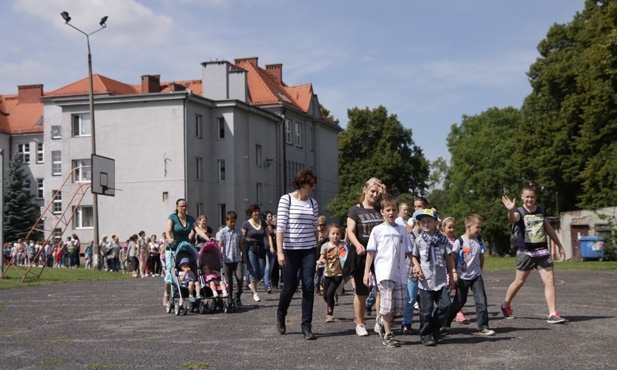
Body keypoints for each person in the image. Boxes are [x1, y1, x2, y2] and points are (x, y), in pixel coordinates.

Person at [501, 183, 567, 324]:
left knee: (549, 280)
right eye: (527, 197)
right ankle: (506, 304)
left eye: (532, 197)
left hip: (542, 250)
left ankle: (552, 313)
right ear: (522, 197)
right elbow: (513, 218)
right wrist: (510, 210)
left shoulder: (541, 210)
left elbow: (548, 228)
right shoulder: (519, 211)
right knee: (519, 281)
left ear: (536, 197)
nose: (529, 199)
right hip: (526, 252)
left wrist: (559, 245)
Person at [275, 168, 319, 340]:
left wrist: (316, 248)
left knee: (309, 286)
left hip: (308, 249)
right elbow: (280, 227)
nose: (313, 188)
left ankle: (306, 326)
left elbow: (314, 227)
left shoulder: (313, 203)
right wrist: (280, 251)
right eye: (311, 184)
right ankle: (281, 314)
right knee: (289, 287)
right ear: (302, 183)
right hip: (290, 250)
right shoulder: (286, 200)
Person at [364, 196, 413, 348]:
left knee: (399, 306)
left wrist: (416, 265)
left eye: (394, 210)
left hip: (400, 273)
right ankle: (388, 334)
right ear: (382, 212)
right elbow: (370, 252)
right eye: (388, 210)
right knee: (386, 304)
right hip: (384, 273)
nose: (391, 213)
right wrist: (367, 272)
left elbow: (409, 251)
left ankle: (382, 319)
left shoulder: (402, 230)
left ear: (398, 212)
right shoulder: (377, 230)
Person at [343, 177, 386, 337]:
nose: (374, 194)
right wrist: (357, 245)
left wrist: (385, 195)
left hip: (380, 254)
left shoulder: (380, 209)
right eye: (372, 191)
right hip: (361, 254)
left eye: (377, 192)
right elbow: (351, 231)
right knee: (361, 291)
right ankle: (360, 323)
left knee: (382, 288)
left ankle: (379, 320)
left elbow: (391, 211)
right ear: (365, 190)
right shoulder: (355, 210)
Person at [444, 214, 495, 336]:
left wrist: (480, 270)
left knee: (481, 300)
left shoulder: (479, 241)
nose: (479, 230)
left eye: (480, 227)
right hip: (462, 276)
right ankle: (445, 322)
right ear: (468, 226)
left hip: (476, 276)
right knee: (459, 302)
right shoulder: (459, 242)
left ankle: (483, 326)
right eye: (477, 227)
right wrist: (454, 273)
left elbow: (481, 257)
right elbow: (452, 258)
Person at [412, 208, 456, 346]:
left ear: (436, 223)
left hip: (440, 280)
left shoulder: (442, 240)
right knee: (426, 311)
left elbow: (448, 258)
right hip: (425, 281)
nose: (425, 224)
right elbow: (414, 256)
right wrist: (416, 266)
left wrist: (452, 275)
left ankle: (434, 327)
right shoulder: (419, 240)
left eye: (429, 221)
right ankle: (425, 335)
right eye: (423, 221)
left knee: (445, 306)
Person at [164, 198, 209, 306]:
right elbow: (168, 231)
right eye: (181, 206)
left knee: (189, 272)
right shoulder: (172, 218)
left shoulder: (190, 219)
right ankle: (167, 293)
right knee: (171, 274)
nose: (184, 208)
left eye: (185, 206)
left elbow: (198, 230)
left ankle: (188, 294)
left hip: (185, 248)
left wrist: (208, 239)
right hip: (173, 248)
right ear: (177, 207)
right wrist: (169, 238)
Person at [441, 217, 469, 324]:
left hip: (455, 269)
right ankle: (445, 313)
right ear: (443, 228)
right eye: (449, 227)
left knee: (458, 292)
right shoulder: (441, 239)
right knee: (446, 292)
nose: (452, 229)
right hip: (444, 269)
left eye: (453, 227)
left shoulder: (457, 240)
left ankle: (458, 312)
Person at [242, 204, 271, 302]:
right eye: (255, 211)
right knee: (253, 270)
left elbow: (268, 235)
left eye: (258, 211)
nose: (257, 213)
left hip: (261, 248)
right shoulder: (246, 224)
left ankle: (252, 284)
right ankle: (255, 293)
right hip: (250, 249)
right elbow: (242, 237)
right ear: (251, 213)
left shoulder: (263, 223)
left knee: (262, 271)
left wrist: (271, 246)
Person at [216, 211, 246, 308]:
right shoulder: (222, 232)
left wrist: (244, 256)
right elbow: (219, 245)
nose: (232, 224)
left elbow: (241, 244)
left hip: (237, 258)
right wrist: (218, 257)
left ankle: (237, 296)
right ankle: (229, 298)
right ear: (227, 221)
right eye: (231, 222)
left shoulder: (238, 231)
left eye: (234, 221)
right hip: (226, 259)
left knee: (240, 278)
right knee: (228, 281)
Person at [318, 224, 344, 323]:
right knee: (325, 295)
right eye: (333, 233)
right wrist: (321, 261)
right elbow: (322, 257)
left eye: (337, 234)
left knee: (329, 293)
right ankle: (331, 302)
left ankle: (329, 314)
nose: (335, 236)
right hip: (327, 273)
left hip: (338, 274)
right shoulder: (325, 246)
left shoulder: (342, 245)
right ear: (328, 235)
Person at [315, 215, 329, 297]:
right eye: (320, 225)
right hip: (316, 256)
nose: (322, 226)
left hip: (325, 257)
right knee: (316, 278)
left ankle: (325, 289)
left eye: (323, 225)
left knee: (324, 276)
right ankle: (317, 289)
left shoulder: (327, 232)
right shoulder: (315, 232)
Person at [263, 211, 277, 294]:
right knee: (267, 267)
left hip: (273, 248)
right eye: (269, 216)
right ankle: (267, 285)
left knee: (270, 268)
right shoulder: (263, 226)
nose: (270, 218)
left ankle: (268, 283)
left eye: (271, 216)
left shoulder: (273, 226)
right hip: (266, 247)